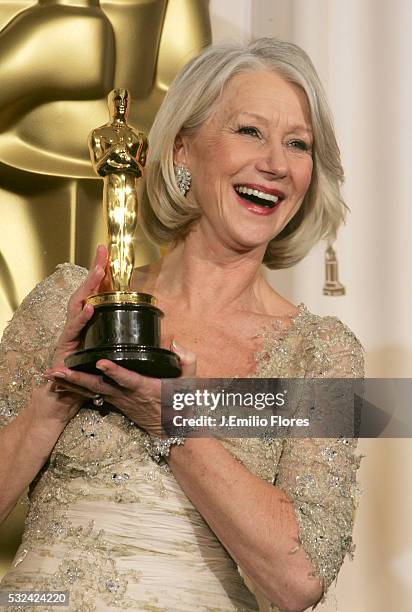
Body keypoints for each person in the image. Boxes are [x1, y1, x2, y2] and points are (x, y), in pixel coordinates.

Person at [0, 38, 364, 612]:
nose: (275, 162)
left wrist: (174, 421)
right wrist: (56, 393)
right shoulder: (66, 303)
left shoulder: (322, 354)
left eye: (298, 143)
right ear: (182, 153)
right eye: (250, 131)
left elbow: (299, 583)